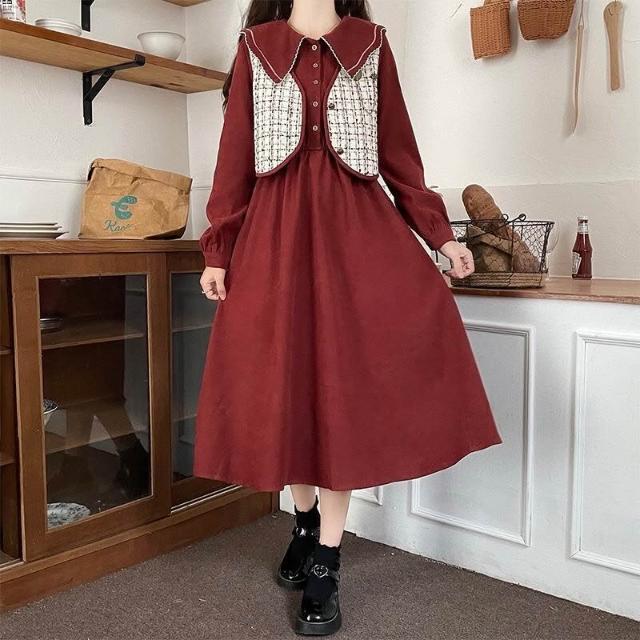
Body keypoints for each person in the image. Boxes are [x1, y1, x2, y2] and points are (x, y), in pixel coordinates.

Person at [193, 0, 503, 635]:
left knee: (341, 396)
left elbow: (401, 159)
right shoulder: (255, 47)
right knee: (285, 388)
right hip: (273, 243)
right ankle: (304, 524)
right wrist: (218, 250)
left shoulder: (373, 44)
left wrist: (443, 238)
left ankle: (326, 559)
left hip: (357, 240)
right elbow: (234, 161)